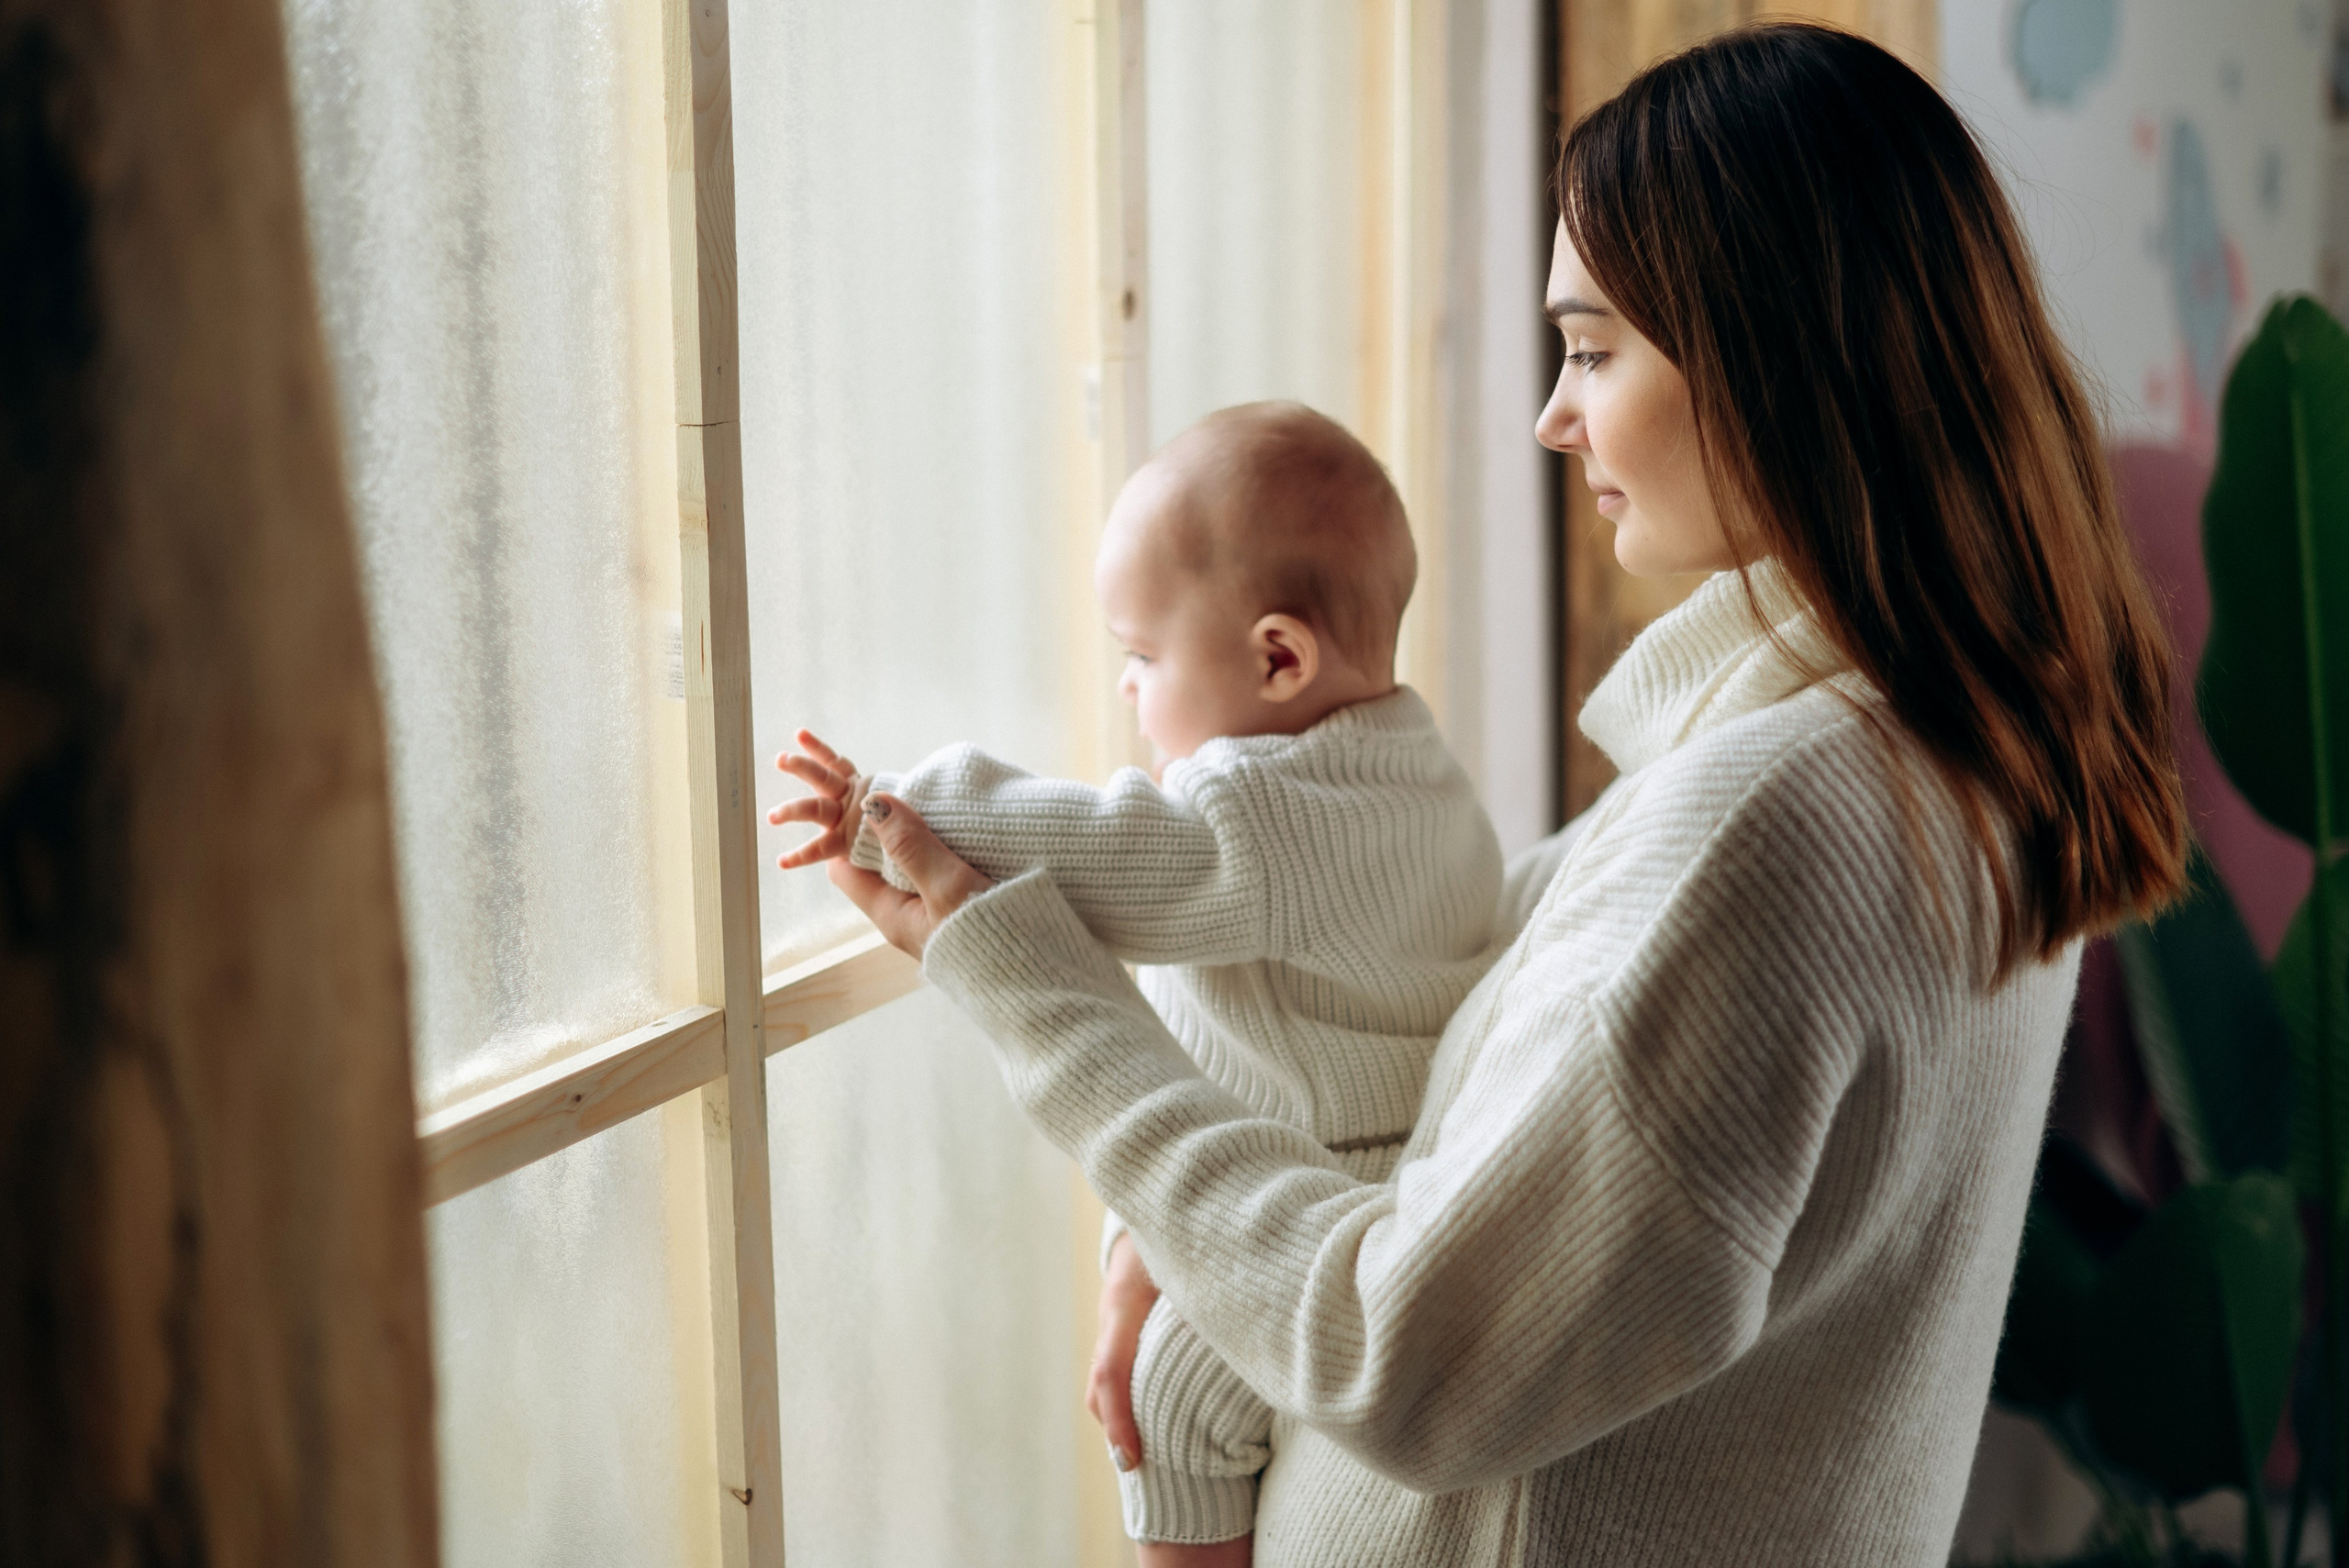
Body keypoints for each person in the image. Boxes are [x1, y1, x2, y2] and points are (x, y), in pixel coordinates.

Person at [834, 23, 2192, 1565]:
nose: (1554, 416)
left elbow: (1404, 1355)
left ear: (1771, 358)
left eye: (1594, 350)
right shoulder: (1942, 735)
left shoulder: (1779, 818)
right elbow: (1494, 1019)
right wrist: (1180, 1239)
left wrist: (1036, 992)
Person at [769, 402, 1506, 1564]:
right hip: (1373, 1155)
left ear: (1278, 658)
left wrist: (890, 808)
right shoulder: (1414, 773)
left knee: (1166, 1400)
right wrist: (1138, 1247)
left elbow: (1102, 847)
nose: (1124, 688)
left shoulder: (1267, 820)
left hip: (1330, 1192)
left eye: (1143, 656)